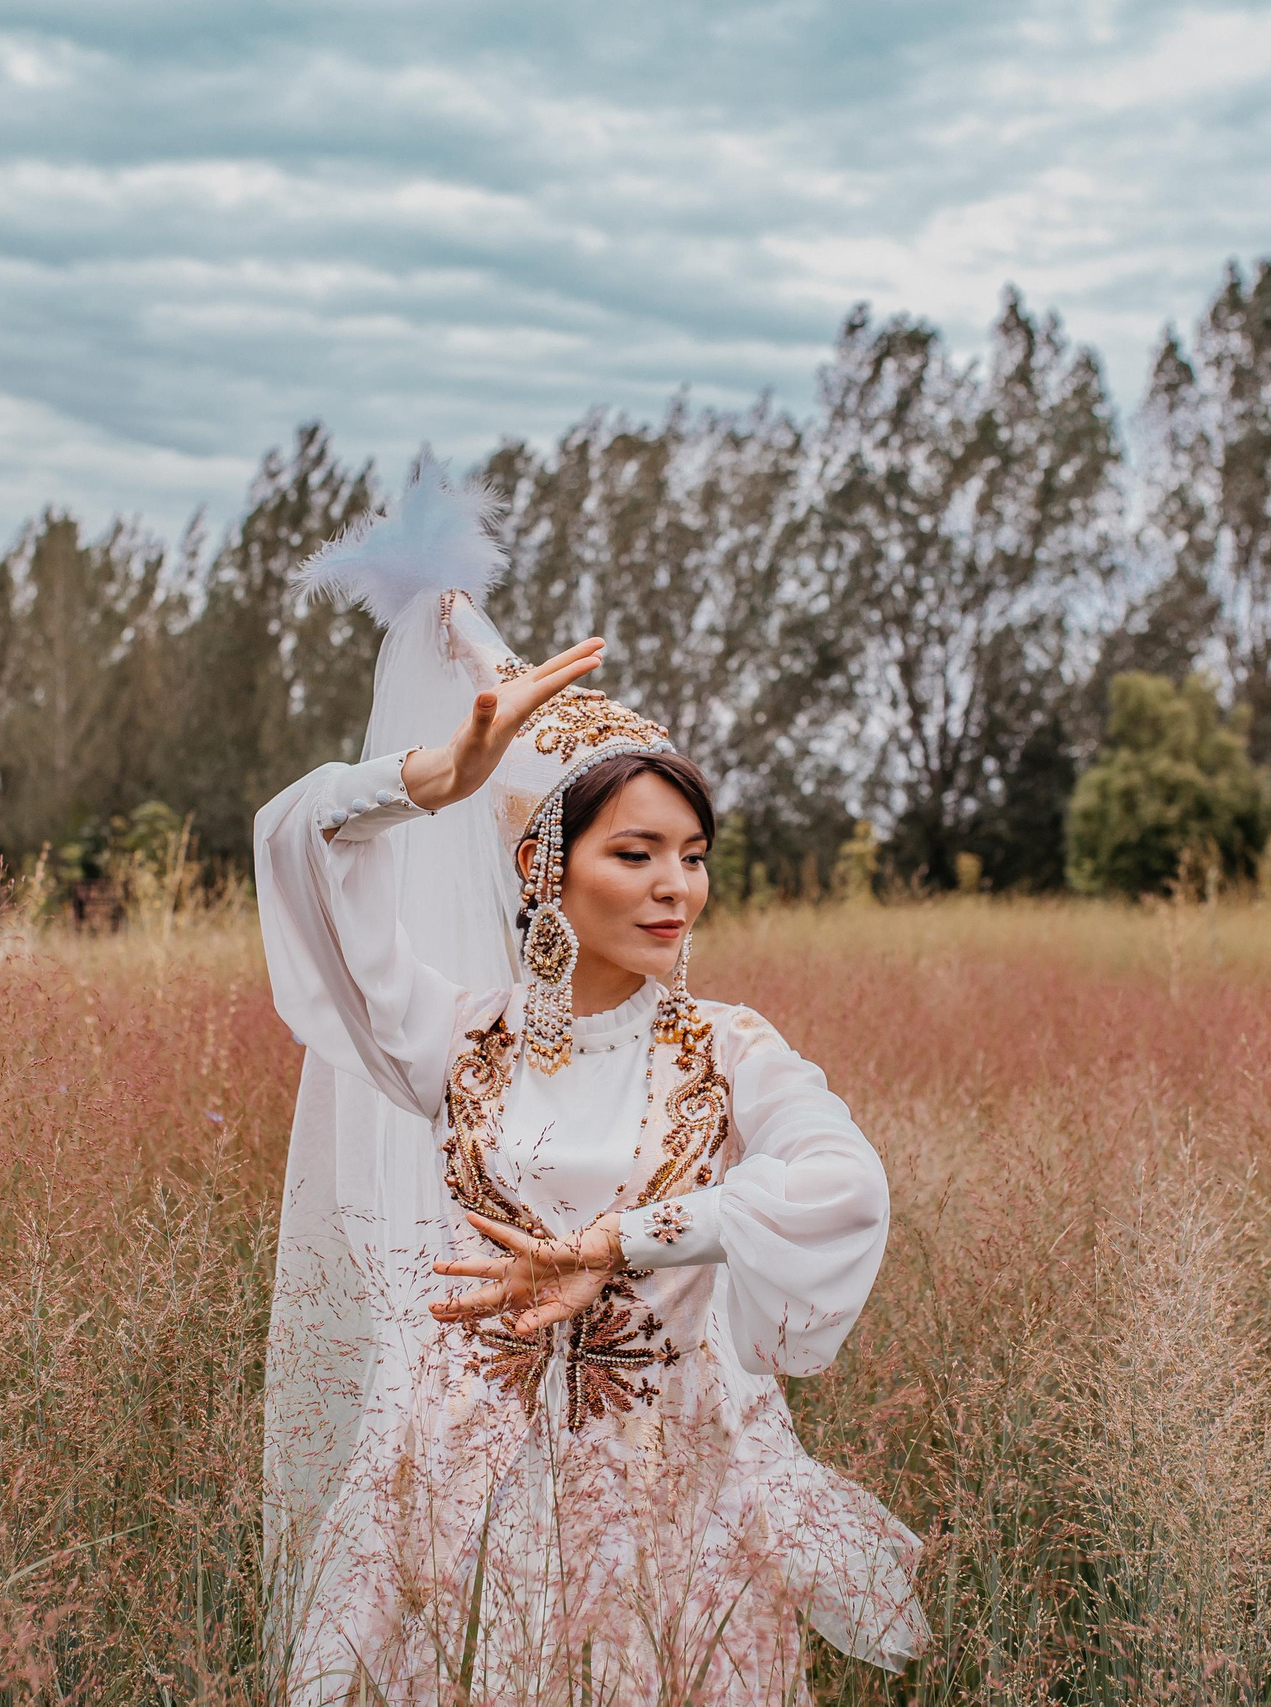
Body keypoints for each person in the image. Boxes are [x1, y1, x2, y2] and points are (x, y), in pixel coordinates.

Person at [254, 462, 923, 1703]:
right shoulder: (458, 1043)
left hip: (669, 1491)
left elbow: (843, 1186)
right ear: (545, 873)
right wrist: (424, 783)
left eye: (694, 856)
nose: (677, 887)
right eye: (635, 853)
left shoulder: (725, 1051)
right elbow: (299, 849)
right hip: (463, 1492)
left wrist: (625, 1238)